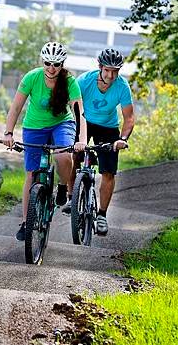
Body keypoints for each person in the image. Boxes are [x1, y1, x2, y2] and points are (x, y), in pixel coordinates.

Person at [2, 42, 87, 241]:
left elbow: (79, 113)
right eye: (48, 63)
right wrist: (8, 133)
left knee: (63, 154)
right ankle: (26, 222)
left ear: (62, 64)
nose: (51, 68)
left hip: (61, 124)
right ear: (43, 61)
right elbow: (15, 108)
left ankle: (64, 187)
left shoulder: (69, 82)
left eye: (56, 64)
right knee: (31, 174)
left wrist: (81, 140)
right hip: (34, 126)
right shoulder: (32, 77)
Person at [65, 48, 134, 236]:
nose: (111, 75)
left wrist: (122, 139)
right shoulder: (84, 82)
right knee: (74, 157)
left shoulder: (121, 86)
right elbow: (71, 106)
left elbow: (129, 118)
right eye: (107, 70)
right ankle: (72, 197)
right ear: (100, 67)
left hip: (108, 127)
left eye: (115, 71)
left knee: (108, 172)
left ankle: (102, 215)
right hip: (84, 121)